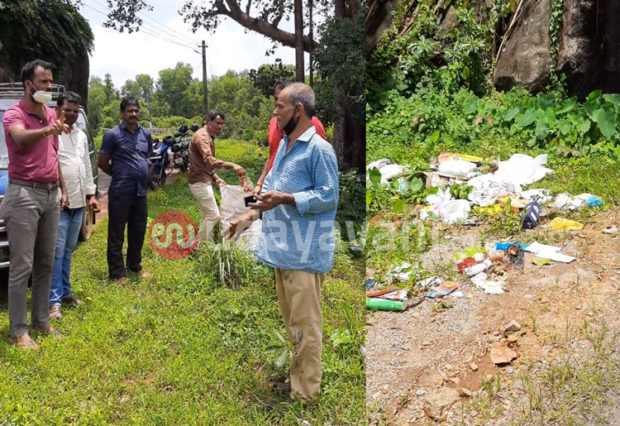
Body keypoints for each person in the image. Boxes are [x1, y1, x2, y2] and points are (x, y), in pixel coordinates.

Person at [228, 83, 339, 401]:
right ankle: (296, 380)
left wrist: (287, 198)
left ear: (298, 110)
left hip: (304, 253)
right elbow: (269, 195)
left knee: (306, 326)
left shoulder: (319, 150)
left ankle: (307, 394)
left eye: (279, 107)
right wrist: (247, 219)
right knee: (294, 323)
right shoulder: (286, 147)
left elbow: (328, 197)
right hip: (283, 251)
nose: (275, 113)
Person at [0, 59, 69, 349]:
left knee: (45, 261)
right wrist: (47, 130)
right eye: (44, 82)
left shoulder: (50, 113)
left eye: (51, 82)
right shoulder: (14, 113)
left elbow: (53, 157)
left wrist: (62, 189)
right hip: (24, 195)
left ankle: (41, 321)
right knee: (22, 265)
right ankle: (18, 331)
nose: (49, 88)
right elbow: (19, 137)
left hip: (51, 194)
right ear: (29, 85)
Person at [49, 91, 100, 320]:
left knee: (68, 250)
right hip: (60, 204)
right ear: (58, 109)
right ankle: (53, 302)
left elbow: (86, 165)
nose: (70, 114)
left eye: (75, 110)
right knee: (56, 253)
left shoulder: (80, 135)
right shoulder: (51, 133)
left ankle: (67, 293)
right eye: (66, 109)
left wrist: (91, 194)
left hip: (79, 202)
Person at [98, 97, 152, 283]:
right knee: (117, 232)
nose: (134, 114)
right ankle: (117, 273)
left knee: (138, 231)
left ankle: (134, 266)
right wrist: (119, 174)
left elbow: (147, 157)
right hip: (120, 191)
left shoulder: (145, 134)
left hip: (140, 192)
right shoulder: (112, 135)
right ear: (122, 114)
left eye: (136, 111)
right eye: (130, 111)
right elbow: (102, 161)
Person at [253, 81, 327, 196]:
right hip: (271, 191)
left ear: (297, 108)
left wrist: (288, 199)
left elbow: (325, 190)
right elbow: (272, 155)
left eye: (282, 104)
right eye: (276, 100)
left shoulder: (314, 125)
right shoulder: (274, 124)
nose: (275, 110)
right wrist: (260, 183)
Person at [188, 111, 249, 243]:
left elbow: (204, 164)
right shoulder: (202, 137)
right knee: (213, 215)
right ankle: (198, 245)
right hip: (198, 181)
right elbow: (209, 160)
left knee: (206, 215)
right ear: (208, 121)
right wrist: (232, 165)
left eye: (222, 124)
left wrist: (216, 178)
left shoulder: (208, 136)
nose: (220, 126)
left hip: (203, 179)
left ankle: (206, 245)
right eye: (217, 123)